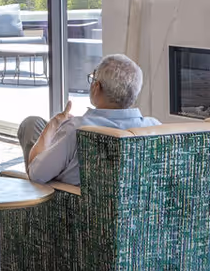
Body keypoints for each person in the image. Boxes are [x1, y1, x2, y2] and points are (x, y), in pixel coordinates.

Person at [19, 54, 159, 186]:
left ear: (96, 87)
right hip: (129, 206)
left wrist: (53, 125)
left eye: (92, 79)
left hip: (67, 204)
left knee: (30, 124)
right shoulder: (155, 128)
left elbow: (36, 175)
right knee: (35, 123)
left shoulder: (78, 130)